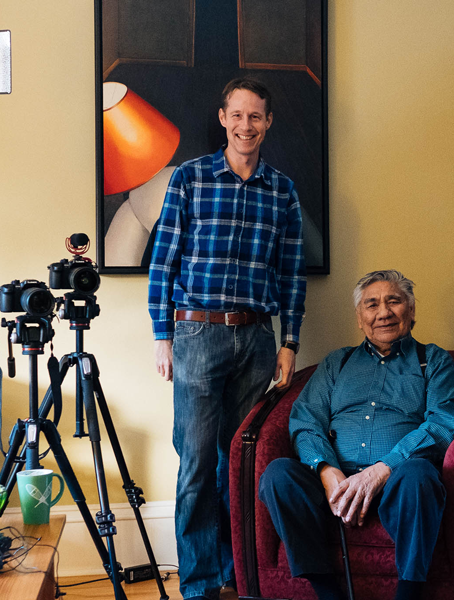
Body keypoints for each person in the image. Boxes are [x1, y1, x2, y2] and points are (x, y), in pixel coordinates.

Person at [148, 77, 306, 600]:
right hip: (195, 333)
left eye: (255, 117)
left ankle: (238, 575)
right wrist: (161, 335)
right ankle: (198, 585)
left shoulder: (282, 190)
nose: (246, 126)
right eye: (237, 115)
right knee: (195, 463)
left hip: (258, 339)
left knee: (237, 461)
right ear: (222, 118)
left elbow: (291, 274)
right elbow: (163, 262)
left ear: (267, 123)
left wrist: (290, 342)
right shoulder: (190, 179)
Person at [259, 270, 454, 600]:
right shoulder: (336, 363)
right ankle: (328, 593)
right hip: (335, 484)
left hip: (397, 483)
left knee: (419, 475)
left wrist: (384, 469)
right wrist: (327, 471)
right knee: (278, 475)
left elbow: (442, 424)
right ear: (360, 318)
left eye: (394, 301)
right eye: (371, 305)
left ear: (411, 311)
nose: (383, 312)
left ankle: (409, 593)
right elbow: (305, 421)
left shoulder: (434, 362)